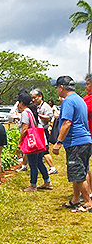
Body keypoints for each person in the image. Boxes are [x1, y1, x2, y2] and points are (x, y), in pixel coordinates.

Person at [52, 76, 92, 212]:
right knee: (81, 171)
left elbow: (67, 122)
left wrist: (58, 142)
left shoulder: (68, 101)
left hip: (76, 141)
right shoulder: (80, 99)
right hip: (85, 140)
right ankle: (75, 199)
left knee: (78, 174)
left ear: (61, 87)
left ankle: (88, 202)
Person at [17, 92, 52, 192]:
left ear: (21, 103)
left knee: (32, 164)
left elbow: (25, 128)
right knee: (39, 162)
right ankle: (47, 181)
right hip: (39, 140)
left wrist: (20, 142)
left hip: (31, 142)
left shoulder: (25, 112)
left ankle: (33, 185)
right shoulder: (31, 111)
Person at [30, 89, 58, 175]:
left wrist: (38, 115)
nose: (33, 99)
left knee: (45, 150)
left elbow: (49, 117)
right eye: (32, 98)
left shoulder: (45, 106)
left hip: (43, 130)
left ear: (40, 97)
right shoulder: (35, 105)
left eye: (35, 97)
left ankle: (52, 167)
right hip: (38, 130)